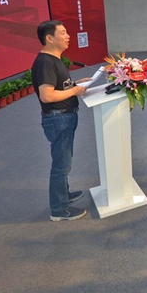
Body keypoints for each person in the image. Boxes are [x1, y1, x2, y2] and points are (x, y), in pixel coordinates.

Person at [31, 20, 89, 222]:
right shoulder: (46, 62)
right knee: (61, 165)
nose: (68, 36)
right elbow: (47, 95)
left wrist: (75, 84)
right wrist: (74, 91)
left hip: (64, 116)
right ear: (49, 38)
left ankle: (64, 195)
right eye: (63, 33)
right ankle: (59, 209)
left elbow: (58, 86)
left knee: (64, 161)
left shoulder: (54, 59)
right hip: (58, 118)